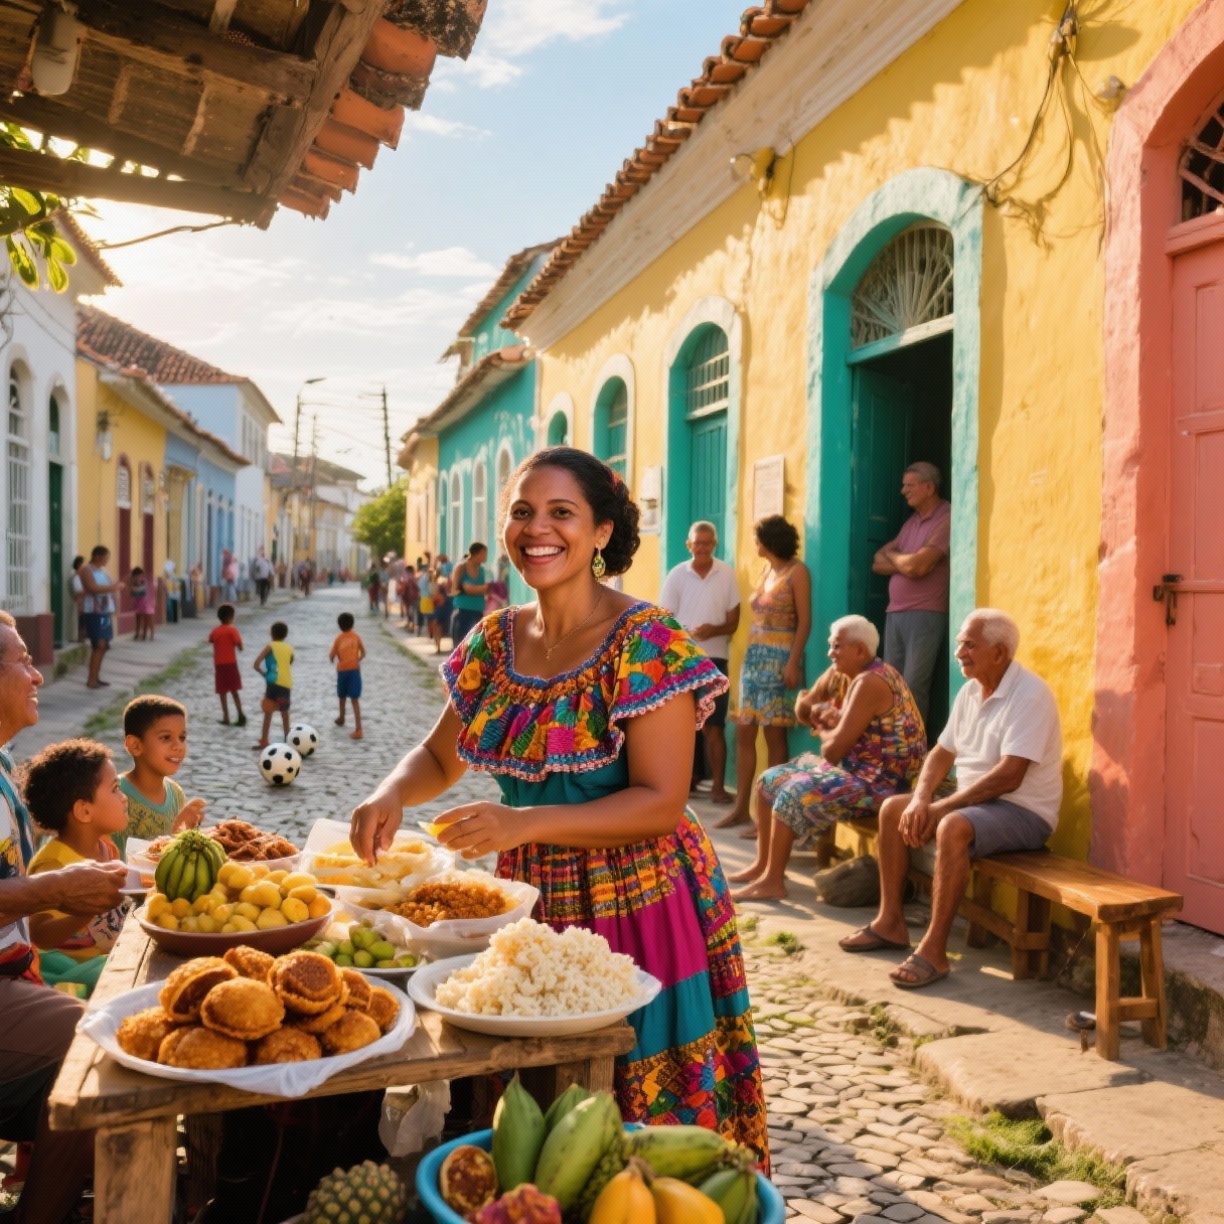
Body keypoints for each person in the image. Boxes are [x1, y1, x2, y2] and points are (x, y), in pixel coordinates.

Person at [349, 447, 768, 1162]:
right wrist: (390, 791)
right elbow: (439, 756)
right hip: (530, 906)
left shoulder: (648, 642)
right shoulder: (494, 638)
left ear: (602, 531)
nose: (536, 529)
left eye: (561, 513)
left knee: (635, 1111)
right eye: (522, 512)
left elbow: (661, 803)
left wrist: (523, 822)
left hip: (641, 899)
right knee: (533, 1111)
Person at [840, 609, 1063, 990]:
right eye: (960, 642)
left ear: (1000, 652)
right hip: (977, 803)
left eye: (969, 644)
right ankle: (890, 922)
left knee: (952, 825)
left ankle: (934, 950)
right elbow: (941, 753)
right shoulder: (971, 690)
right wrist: (920, 799)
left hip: (1024, 811)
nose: (959, 651)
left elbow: (1011, 776)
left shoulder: (1030, 695)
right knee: (895, 807)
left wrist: (943, 806)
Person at [0, 610, 125, 1224]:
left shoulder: (3, 769)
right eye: (22, 661)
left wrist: (72, 905)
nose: (38, 674)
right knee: (100, 1048)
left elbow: (23, 919)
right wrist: (53, 884)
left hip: (16, 974)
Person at [730, 615, 926, 901]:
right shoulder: (850, 675)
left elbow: (833, 750)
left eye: (836, 647)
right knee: (768, 780)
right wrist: (826, 716)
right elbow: (812, 712)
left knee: (792, 792)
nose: (830, 654)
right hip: (854, 769)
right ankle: (763, 867)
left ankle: (773, 882)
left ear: (859, 650)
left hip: (880, 783)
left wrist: (824, 727)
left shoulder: (871, 681)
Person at [719, 516, 812, 834]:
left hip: (779, 659)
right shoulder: (767, 570)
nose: (754, 544)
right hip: (754, 660)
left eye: (757, 539)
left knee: (774, 736)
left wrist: (793, 662)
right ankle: (741, 808)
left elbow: (805, 621)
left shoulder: (797, 572)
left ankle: (769, 816)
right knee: (744, 732)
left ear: (770, 541)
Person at [26, 740, 131, 997]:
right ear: (84, 811)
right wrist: (84, 912)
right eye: (115, 789)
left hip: (107, 956)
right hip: (70, 972)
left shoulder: (106, 848)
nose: (124, 797)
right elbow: (39, 933)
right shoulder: (53, 864)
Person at [659, 521, 740, 804]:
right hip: (684, 658)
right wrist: (687, 635)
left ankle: (718, 786)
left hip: (716, 658)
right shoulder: (677, 575)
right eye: (698, 543)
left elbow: (734, 622)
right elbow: (665, 620)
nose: (703, 548)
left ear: (715, 544)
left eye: (709, 543)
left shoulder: (726, 574)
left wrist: (712, 631)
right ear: (688, 545)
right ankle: (684, 784)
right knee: (682, 724)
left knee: (714, 725)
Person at [872, 462, 951, 729]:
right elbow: (876, 561)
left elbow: (919, 566)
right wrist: (904, 561)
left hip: (925, 612)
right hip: (895, 612)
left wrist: (898, 558)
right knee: (892, 685)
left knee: (915, 684)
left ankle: (913, 750)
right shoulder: (911, 523)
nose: (903, 490)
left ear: (929, 487)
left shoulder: (946, 518)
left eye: (909, 485)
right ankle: (894, 743)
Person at [117, 695, 206, 854]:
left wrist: (188, 833)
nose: (178, 746)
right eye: (166, 738)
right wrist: (176, 831)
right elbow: (116, 862)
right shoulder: (117, 795)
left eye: (182, 737)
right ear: (135, 745)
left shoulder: (176, 793)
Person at [79, 545, 121, 689]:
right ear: (97, 556)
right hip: (94, 611)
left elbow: (109, 587)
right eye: (105, 558)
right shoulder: (86, 570)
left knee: (104, 645)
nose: (106, 561)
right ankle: (91, 679)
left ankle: (96, 677)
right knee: (98, 644)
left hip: (105, 611)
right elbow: (92, 588)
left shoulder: (103, 572)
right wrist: (112, 588)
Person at [252, 622, 294, 748]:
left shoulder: (270, 646)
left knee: (268, 712)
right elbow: (290, 661)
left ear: (271, 634)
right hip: (285, 683)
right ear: (286, 635)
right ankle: (288, 740)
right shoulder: (289, 648)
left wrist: (265, 674)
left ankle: (264, 740)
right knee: (284, 712)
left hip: (272, 683)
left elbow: (256, 664)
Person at [208, 603, 246, 726]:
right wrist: (240, 646)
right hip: (231, 664)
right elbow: (239, 646)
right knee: (234, 691)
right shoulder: (232, 630)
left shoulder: (215, 631)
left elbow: (211, 640)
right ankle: (240, 714)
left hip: (219, 665)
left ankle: (226, 716)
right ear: (231, 617)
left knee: (222, 692)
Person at [330, 612, 366, 740]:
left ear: (339, 626)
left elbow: (332, 655)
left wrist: (336, 660)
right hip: (354, 670)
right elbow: (363, 652)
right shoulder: (356, 637)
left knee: (342, 696)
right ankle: (358, 728)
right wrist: (357, 660)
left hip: (342, 671)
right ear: (353, 624)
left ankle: (342, 717)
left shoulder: (338, 638)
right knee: (355, 699)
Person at [450, 543, 490, 645]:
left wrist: (472, 589)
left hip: (478, 611)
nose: (486, 556)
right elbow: (454, 589)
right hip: (463, 611)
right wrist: (470, 589)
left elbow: (487, 588)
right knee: (461, 645)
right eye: (484, 553)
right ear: (476, 554)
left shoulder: (482, 570)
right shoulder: (461, 567)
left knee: (477, 646)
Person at [129, 566, 155, 641]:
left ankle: (141, 634)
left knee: (142, 618)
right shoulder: (144, 581)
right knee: (146, 619)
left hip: (143, 601)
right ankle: (145, 634)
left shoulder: (139, 581)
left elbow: (133, 591)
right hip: (144, 601)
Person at [69, 555, 86, 643]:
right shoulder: (76, 578)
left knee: (82, 620)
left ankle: (81, 637)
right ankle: (78, 637)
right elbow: (79, 591)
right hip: (78, 602)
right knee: (78, 620)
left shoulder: (80, 577)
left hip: (82, 602)